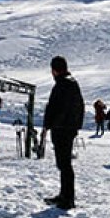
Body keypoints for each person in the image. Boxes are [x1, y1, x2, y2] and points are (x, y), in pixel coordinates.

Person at [42, 56, 85, 210]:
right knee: (63, 164)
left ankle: (68, 199)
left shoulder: (64, 84)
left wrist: (52, 124)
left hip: (62, 129)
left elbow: (57, 108)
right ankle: (64, 195)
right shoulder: (70, 83)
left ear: (54, 70)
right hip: (66, 128)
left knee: (64, 164)